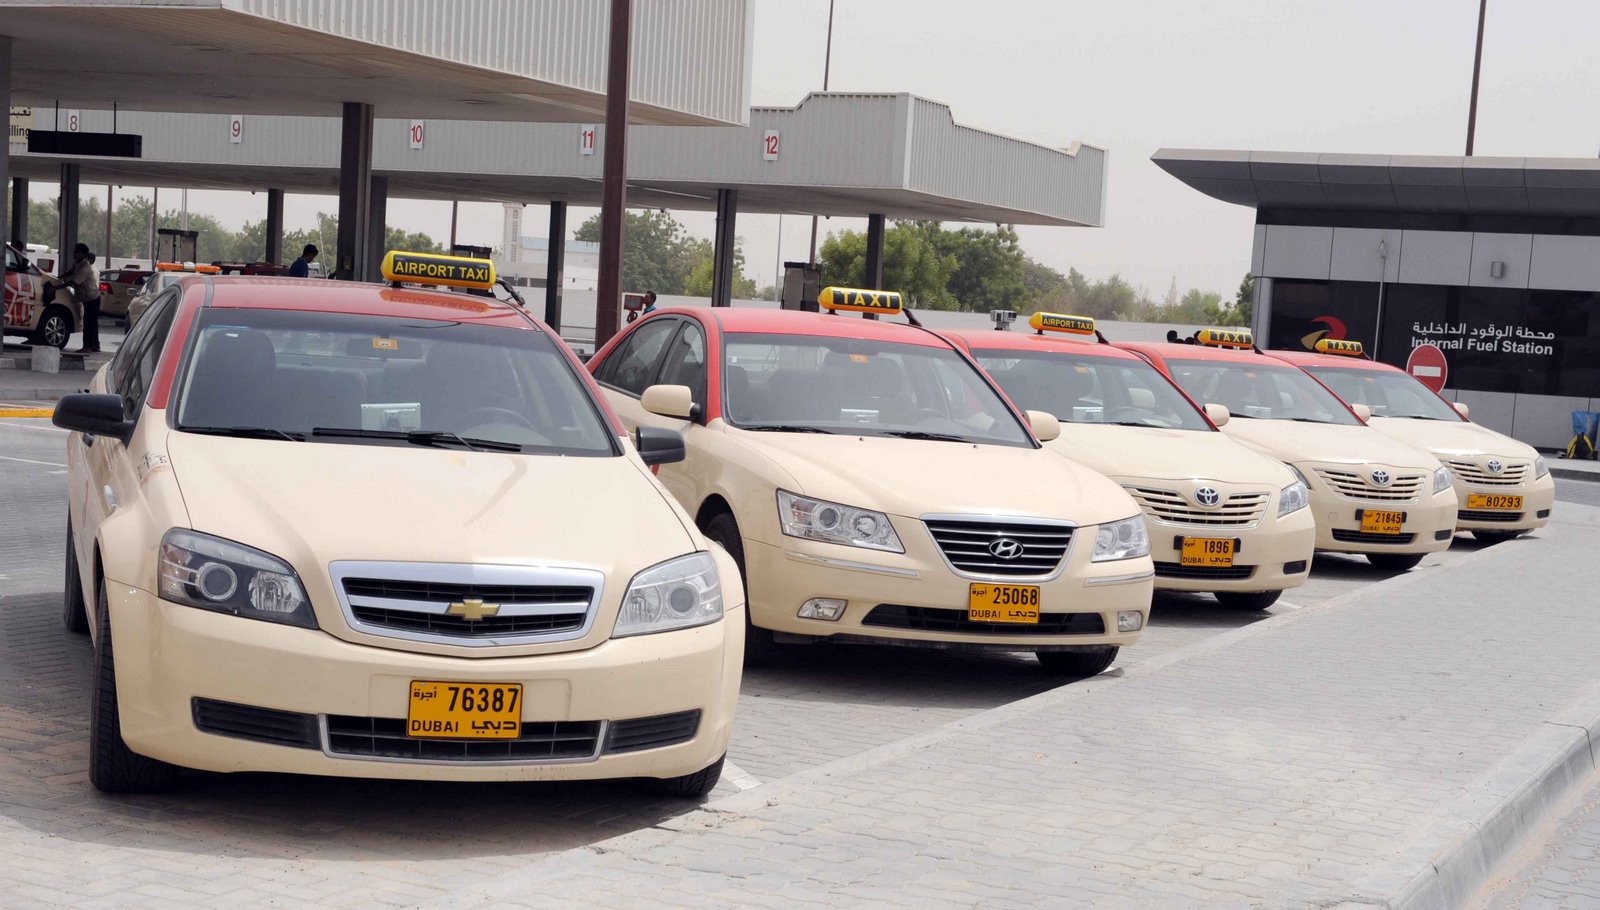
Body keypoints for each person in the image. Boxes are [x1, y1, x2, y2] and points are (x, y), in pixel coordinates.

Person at [60, 244, 102, 354]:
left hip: (92, 298)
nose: (74, 254)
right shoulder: (78, 263)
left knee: (89, 323)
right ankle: (95, 345)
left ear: (83, 254)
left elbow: (73, 281)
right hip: (88, 298)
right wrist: (58, 278)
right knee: (92, 323)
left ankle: (87, 346)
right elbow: (70, 272)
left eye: (77, 252)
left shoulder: (85, 267)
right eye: (75, 251)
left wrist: (56, 287)